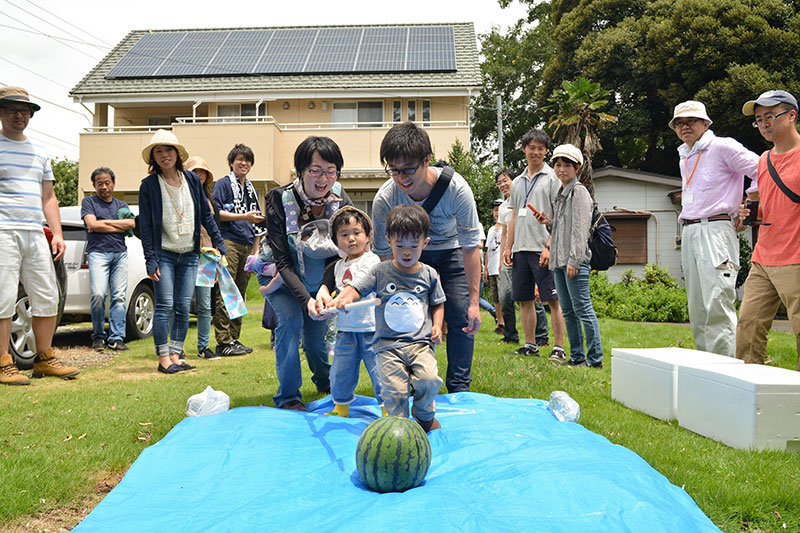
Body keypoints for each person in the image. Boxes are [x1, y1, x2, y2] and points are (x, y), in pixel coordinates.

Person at [371, 122, 481, 394]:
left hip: (451, 250)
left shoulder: (456, 189)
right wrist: (390, 297)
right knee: (406, 317)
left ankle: (459, 389)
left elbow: (470, 247)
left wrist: (475, 303)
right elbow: (384, 254)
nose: (402, 178)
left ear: (426, 161)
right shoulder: (385, 198)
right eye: (394, 170)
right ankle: (405, 385)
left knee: (460, 315)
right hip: (408, 256)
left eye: (408, 169)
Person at [330, 205, 445, 432]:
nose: (406, 252)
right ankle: (399, 426)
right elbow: (357, 288)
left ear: (425, 243)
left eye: (414, 246)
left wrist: (438, 326)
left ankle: (423, 415)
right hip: (388, 346)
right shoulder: (380, 271)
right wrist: (345, 298)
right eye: (400, 245)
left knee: (429, 379)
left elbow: (437, 302)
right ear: (389, 241)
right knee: (394, 391)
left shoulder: (429, 274)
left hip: (420, 344)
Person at [265, 136, 351, 411]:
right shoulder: (279, 199)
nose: (323, 178)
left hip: (320, 278)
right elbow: (282, 259)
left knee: (316, 340)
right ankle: (289, 397)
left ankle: (326, 383)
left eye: (330, 170)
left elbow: (343, 252)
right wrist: (306, 300)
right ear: (300, 171)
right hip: (280, 276)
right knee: (291, 324)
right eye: (315, 170)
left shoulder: (341, 200)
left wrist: (324, 291)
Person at [0, 86, 79, 385]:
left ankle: (44, 358)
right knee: (4, 297)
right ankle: (4, 362)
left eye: (25, 111)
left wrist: (57, 233)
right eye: (12, 110)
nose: (19, 115)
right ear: (1, 113)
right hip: (3, 230)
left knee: (47, 295)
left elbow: (49, 196)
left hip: (35, 232)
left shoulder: (39, 151)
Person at [669, 100, 759, 357]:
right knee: (697, 307)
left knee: (717, 302)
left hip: (716, 229)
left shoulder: (722, 146)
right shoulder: (684, 155)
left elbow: (760, 169)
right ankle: (705, 368)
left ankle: (725, 371)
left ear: (706, 123)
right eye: (679, 122)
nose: (685, 126)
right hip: (690, 230)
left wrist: (750, 202)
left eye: (691, 121)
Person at [138, 130, 227, 374]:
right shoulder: (148, 186)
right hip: (164, 253)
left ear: (177, 154)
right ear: (153, 158)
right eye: (159, 151)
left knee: (183, 306)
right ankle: (163, 358)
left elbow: (206, 215)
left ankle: (176, 355)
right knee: (165, 305)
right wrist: (150, 259)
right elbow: (144, 225)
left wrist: (219, 242)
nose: (164, 155)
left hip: (189, 253)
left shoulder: (191, 180)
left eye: (169, 150)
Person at [737, 90, 800, 370]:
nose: (764, 123)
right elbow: (770, 204)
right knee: (748, 328)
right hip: (763, 258)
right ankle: (746, 394)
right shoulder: (763, 161)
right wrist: (750, 212)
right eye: (759, 119)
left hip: (796, 258)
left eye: (770, 116)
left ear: (791, 116)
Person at [308, 207, 383, 417]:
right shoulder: (336, 266)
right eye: (344, 234)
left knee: (380, 372)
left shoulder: (372, 260)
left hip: (371, 330)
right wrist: (323, 299)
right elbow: (326, 285)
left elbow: (359, 283)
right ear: (336, 241)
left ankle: (388, 409)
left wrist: (339, 300)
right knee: (340, 372)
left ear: (368, 236)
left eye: (357, 233)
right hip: (346, 331)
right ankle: (341, 407)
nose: (351, 239)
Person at [535, 145, 604, 367]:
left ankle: (594, 359)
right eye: (558, 164)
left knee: (583, 309)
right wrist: (548, 222)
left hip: (574, 262)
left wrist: (575, 260)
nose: (561, 169)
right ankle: (576, 357)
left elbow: (580, 229)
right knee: (569, 311)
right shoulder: (561, 194)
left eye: (567, 165)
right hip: (559, 262)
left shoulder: (579, 192)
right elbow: (562, 228)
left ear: (577, 168)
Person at [502, 129, 566, 360]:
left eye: (540, 148)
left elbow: (558, 215)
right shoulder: (517, 182)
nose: (535, 152)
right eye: (532, 148)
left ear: (546, 151)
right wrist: (508, 248)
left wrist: (549, 245)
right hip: (520, 249)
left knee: (553, 299)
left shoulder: (552, 179)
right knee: (524, 299)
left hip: (542, 248)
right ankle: (530, 345)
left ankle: (558, 347)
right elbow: (512, 217)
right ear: (524, 150)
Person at [211, 144, 266, 357]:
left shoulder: (251, 188)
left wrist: (256, 249)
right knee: (227, 291)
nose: (244, 163)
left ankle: (234, 338)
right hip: (229, 241)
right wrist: (244, 217)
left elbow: (257, 221)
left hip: (246, 244)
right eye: (239, 159)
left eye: (248, 160)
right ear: (231, 162)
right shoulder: (224, 184)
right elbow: (217, 213)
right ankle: (223, 341)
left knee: (240, 293)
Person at [81, 167, 135, 352]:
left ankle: (116, 338)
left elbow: (131, 225)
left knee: (119, 297)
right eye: (99, 184)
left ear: (113, 183)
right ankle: (98, 335)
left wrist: (102, 224)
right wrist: (117, 226)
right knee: (98, 295)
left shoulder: (121, 205)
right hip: (98, 253)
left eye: (107, 183)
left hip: (120, 254)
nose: (104, 187)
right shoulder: (89, 201)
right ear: (94, 185)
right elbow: (92, 224)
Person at [184, 156, 221, 360]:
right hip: (186, 252)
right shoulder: (180, 194)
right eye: (195, 172)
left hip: (207, 254)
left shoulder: (209, 199)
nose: (199, 175)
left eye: (202, 172)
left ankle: (203, 347)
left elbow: (215, 229)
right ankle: (176, 347)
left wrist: (217, 258)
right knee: (182, 302)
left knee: (205, 304)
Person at [485, 200, 505, 335]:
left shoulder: (507, 227)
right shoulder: (492, 229)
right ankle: (500, 322)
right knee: (495, 297)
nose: (497, 213)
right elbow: (488, 250)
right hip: (491, 267)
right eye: (495, 210)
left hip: (501, 267)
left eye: (499, 210)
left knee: (504, 297)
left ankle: (507, 323)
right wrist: (485, 268)